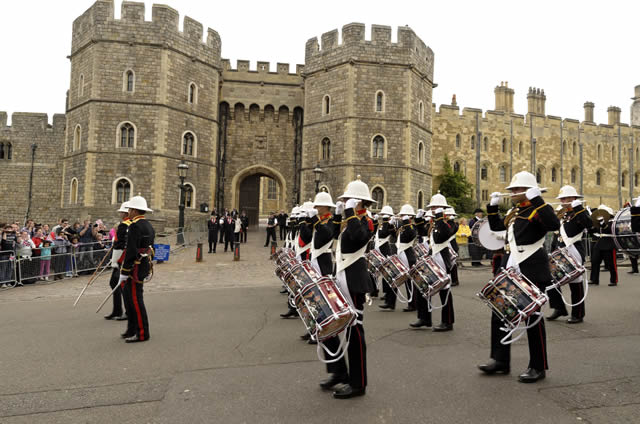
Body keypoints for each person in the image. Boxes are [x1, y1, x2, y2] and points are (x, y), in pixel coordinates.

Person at [479, 171, 560, 383]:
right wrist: (493, 207)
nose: (513, 192)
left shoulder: (538, 209)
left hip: (532, 266)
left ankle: (538, 365)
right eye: (513, 189)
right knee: (499, 312)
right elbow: (498, 227)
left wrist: (538, 199)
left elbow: (553, 225)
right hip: (511, 264)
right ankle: (499, 360)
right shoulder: (515, 211)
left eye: (518, 189)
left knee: (533, 319)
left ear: (529, 191)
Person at [329, 177, 376, 399]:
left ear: (359, 202)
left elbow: (358, 238)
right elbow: (335, 237)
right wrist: (339, 215)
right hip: (343, 275)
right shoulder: (352, 219)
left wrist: (349, 214)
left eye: (349, 200)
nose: (346, 202)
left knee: (355, 332)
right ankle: (344, 375)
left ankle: (359, 383)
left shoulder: (366, 221)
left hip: (355, 278)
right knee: (341, 326)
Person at [549, 185, 592, 324]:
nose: (563, 201)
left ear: (574, 198)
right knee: (552, 281)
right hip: (560, 249)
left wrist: (578, 208)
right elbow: (557, 233)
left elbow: (588, 224)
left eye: (566, 198)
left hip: (574, 249)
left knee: (575, 283)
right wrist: (553, 249)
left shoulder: (580, 212)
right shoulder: (562, 214)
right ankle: (559, 308)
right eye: (562, 199)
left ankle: (578, 314)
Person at [118, 196, 155, 343]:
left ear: (134, 210)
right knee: (131, 299)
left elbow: (131, 251)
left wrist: (124, 271)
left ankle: (142, 333)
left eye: (130, 210)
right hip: (143, 264)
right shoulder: (148, 225)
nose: (129, 213)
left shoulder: (135, 226)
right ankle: (132, 329)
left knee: (135, 300)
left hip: (135, 267)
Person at [105, 203, 130, 321]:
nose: (119, 213)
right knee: (115, 283)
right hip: (125, 258)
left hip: (121, 258)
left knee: (120, 284)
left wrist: (114, 260)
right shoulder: (131, 224)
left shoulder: (124, 225)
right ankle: (117, 310)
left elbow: (120, 245)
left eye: (121, 212)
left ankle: (124, 311)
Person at [588, 205, 617, 286]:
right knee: (595, 261)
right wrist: (590, 227)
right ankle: (594, 279)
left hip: (609, 244)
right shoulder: (600, 223)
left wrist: (603, 223)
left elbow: (608, 229)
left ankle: (613, 280)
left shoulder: (613, 222)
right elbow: (593, 232)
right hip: (600, 243)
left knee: (611, 264)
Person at [376, 206, 396, 310]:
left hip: (390, 251)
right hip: (383, 252)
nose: (384, 219)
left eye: (385, 217)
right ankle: (388, 299)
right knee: (386, 277)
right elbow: (379, 234)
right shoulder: (384, 225)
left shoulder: (392, 224)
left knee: (391, 278)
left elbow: (384, 234)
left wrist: (388, 223)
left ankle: (391, 302)